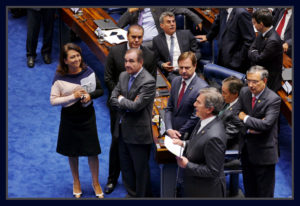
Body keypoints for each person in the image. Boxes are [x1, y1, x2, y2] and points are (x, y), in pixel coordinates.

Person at [103, 24, 156, 195]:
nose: (136, 40)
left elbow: (149, 85)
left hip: (137, 117)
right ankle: (112, 179)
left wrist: (123, 99)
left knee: (137, 160)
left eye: (139, 37)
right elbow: (109, 81)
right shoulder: (115, 54)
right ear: (127, 36)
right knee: (117, 145)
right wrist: (123, 99)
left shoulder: (149, 57)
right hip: (119, 113)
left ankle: (138, 193)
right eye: (133, 37)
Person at [50, 43, 104, 198]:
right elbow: (53, 101)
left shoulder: (89, 71)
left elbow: (100, 90)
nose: (76, 59)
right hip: (69, 118)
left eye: (78, 55)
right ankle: (76, 182)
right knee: (72, 152)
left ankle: (96, 182)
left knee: (92, 151)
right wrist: (72, 97)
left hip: (87, 116)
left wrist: (90, 96)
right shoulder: (59, 77)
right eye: (72, 57)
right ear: (65, 60)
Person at [173, 87, 227, 197]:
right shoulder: (203, 120)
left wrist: (187, 165)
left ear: (209, 109)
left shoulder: (214, 137)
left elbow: (212, 171)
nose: (194, 105)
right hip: (193, 185)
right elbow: (199, 141)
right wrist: (184, 143)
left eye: (198, 102)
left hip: (205, 192)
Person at [237, 66, 281, 197]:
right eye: (248, 80)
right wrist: (252, 126)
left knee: (264, 194)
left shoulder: (273, 99)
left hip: (264, 154)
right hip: (246, 151)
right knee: (249, 191)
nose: (251, 85)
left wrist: (245, 118)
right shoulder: (244, 92)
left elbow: (266, 124)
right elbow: (234, 115)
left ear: (265, 81)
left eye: (255, 81)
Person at [196, 8, 255, 73]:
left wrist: (237, 60)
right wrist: (208, 37)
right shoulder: (223, 9)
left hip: (235, 62)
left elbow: (249, 40)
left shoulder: (241, 13)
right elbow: (217, 23)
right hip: (222, 56)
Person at [165, 51, 208, 140]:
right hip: (171, 132)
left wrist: (178, 133)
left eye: (187, 68)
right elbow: (169, 108)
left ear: (195, 66)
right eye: (181, 67)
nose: (183, 71)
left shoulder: (202, 87)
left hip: (187, 136)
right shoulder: (175, 81)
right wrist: (169, 129)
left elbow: (195, 117)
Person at [117, 8, 203, 49]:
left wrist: (196, 19)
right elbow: (119, 25)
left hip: (153, 41)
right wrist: (130, 11)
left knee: (136, 49)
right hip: (136, 39)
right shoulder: (133, 10)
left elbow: (181, 9)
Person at [152, 11, 201, 82]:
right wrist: (163, 65)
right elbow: (156, 60)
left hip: (189, 70)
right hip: (172, 73)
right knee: (178, 83)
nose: (172, 24)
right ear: (162, 25)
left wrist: (191, 60)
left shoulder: (187, 34)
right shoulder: (157, 40)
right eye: (168, 22)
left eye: (173, 21)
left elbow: (198, 52)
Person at [219, 76, 244, 197]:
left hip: (231, 149)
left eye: (224, 92)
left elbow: (227, 136)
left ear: (235, 94)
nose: (222, 95)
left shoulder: (238, 112)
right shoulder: (228, 101)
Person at [248, 8, 283, 92]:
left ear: (261, 24)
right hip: (259, 73)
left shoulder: (273, 40)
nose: (254, 26)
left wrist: (253, 52)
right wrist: (254, 52)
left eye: (255, 23)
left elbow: (259, 59)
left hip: (268, 82)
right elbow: (251, 48)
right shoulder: (262, 32)